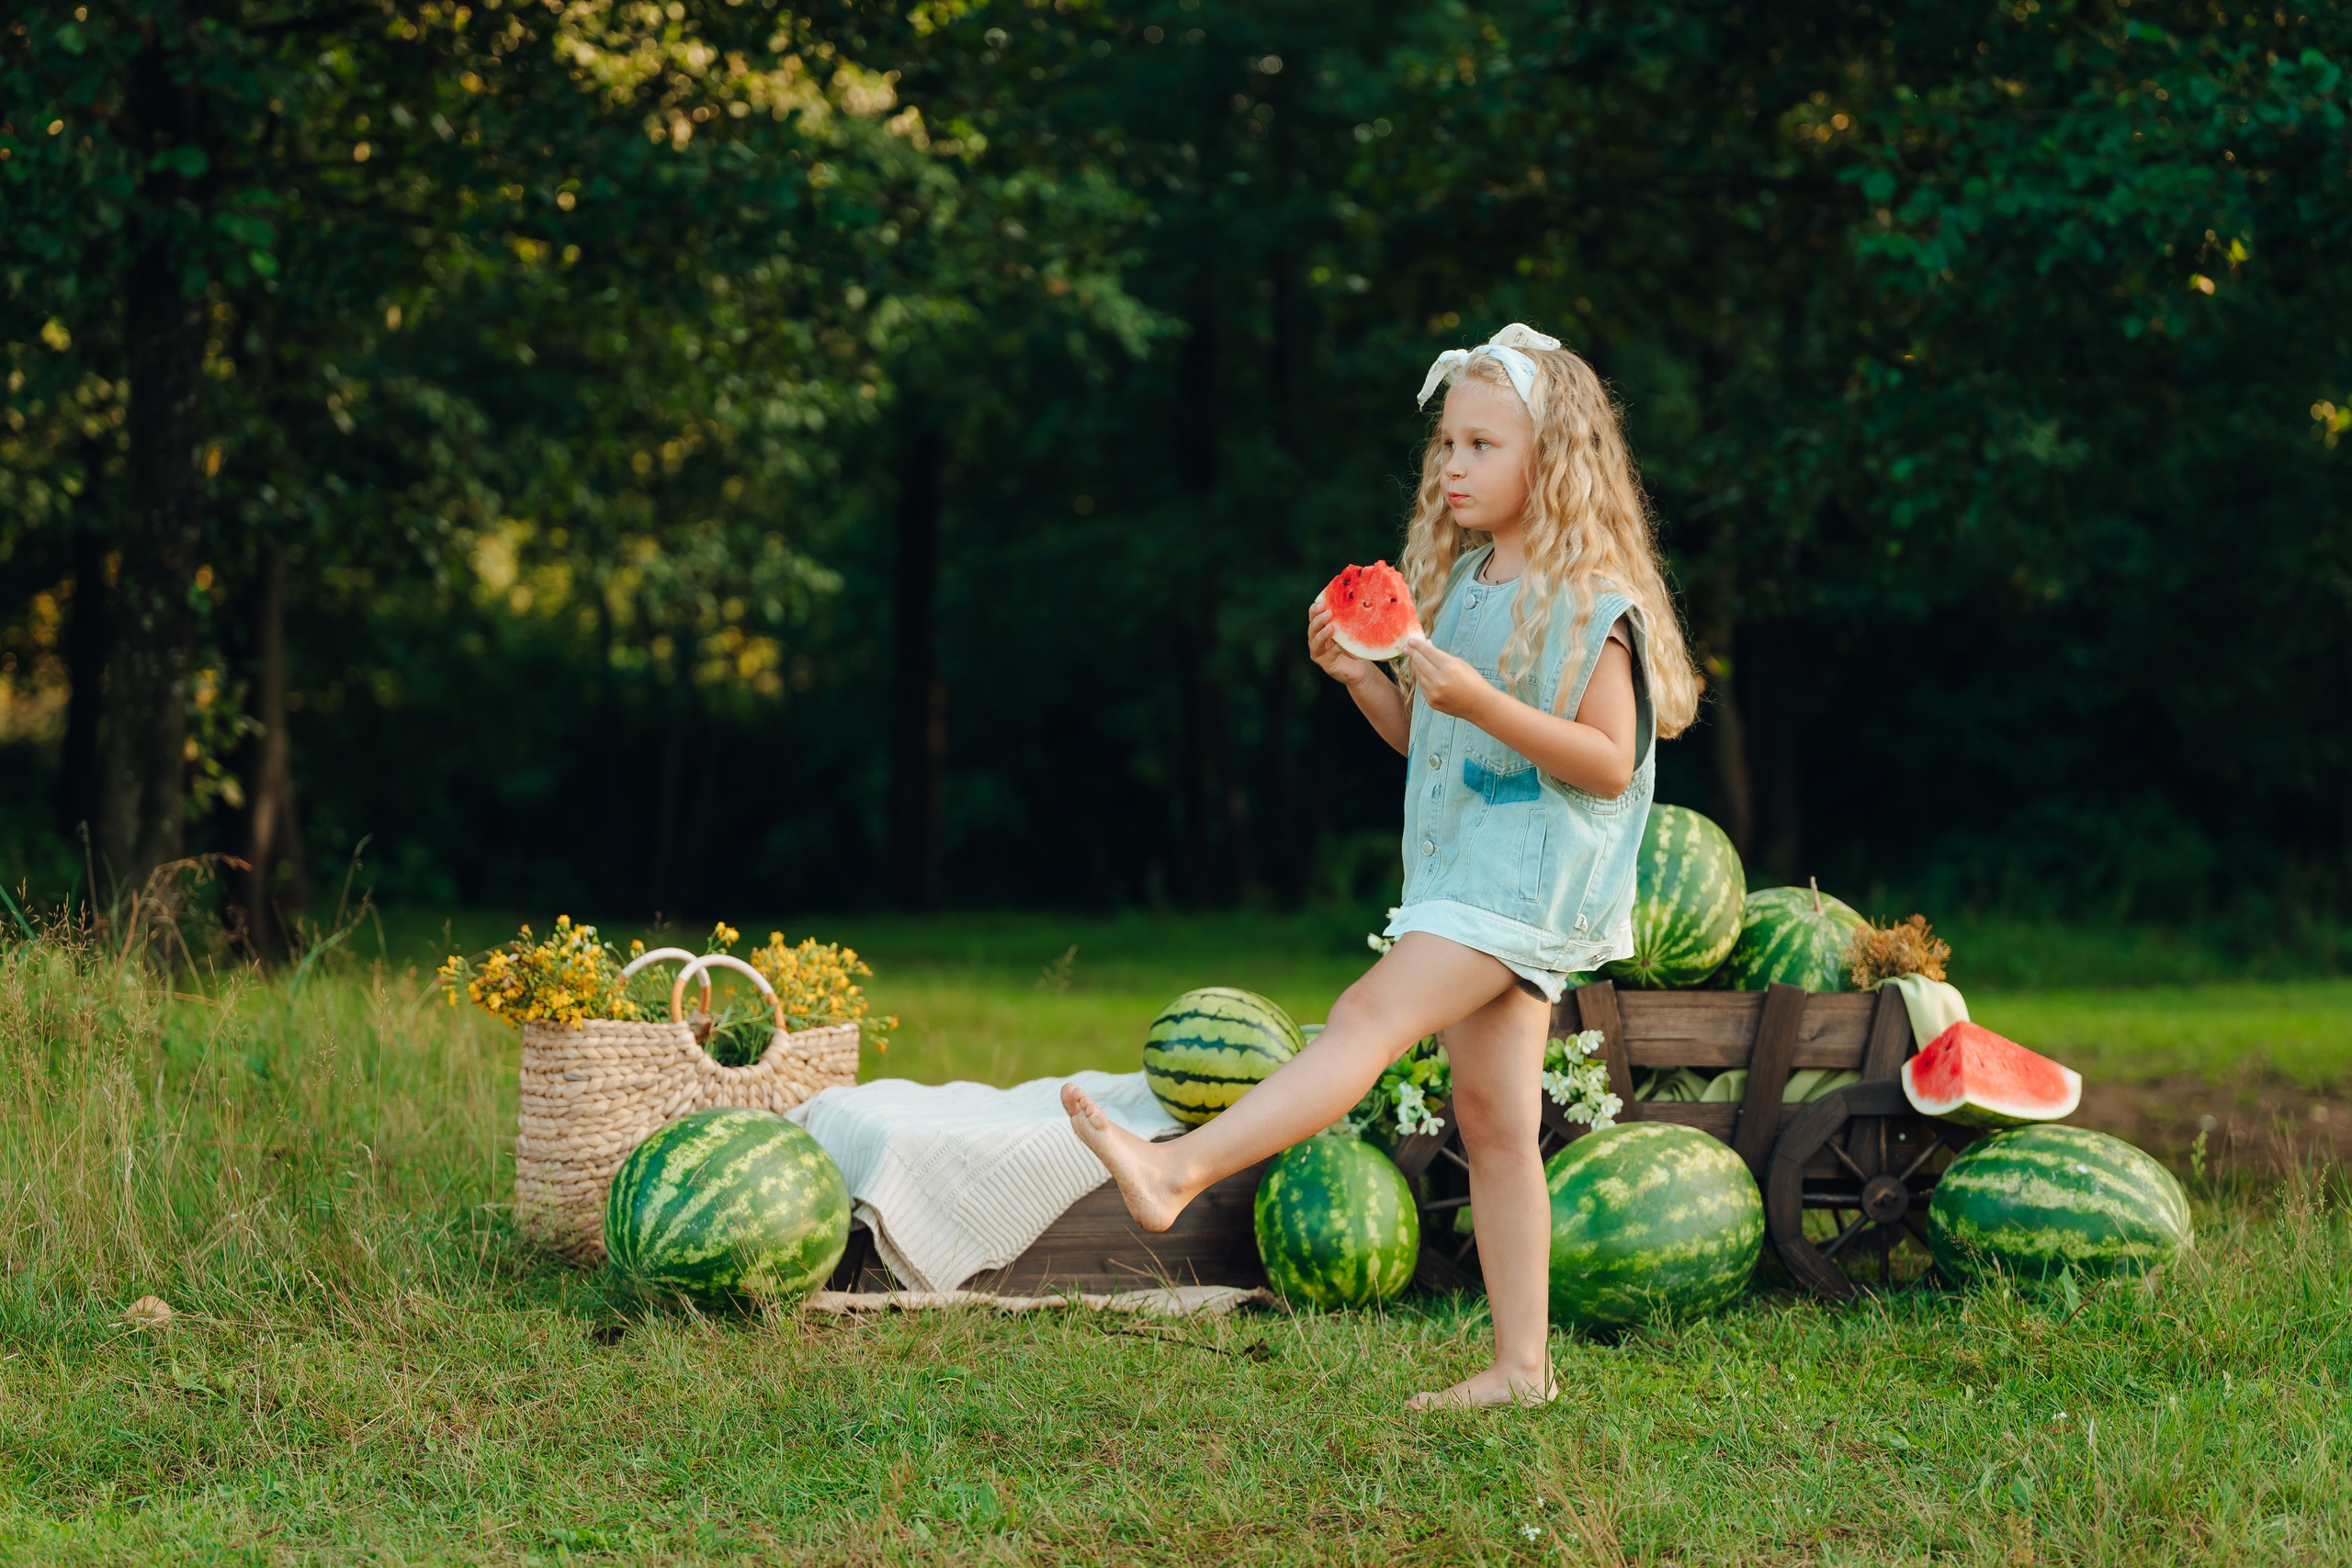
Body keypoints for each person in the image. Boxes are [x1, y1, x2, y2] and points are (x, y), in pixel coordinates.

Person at [1062, 322, 1701, 1407]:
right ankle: (1521, 1369)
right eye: (1446, 445)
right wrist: (1366, 683)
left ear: (1554, 461)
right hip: (1463, 874)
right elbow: (1434, 744)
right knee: (1494, 1123)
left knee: (1363, 1020)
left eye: (1481, 447)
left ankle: (1177, 1170)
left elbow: (1606, 763)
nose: (1452, 466)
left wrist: (1480, 699)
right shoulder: (1461, 586)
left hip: (1530, 885)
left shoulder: (1595, 601)